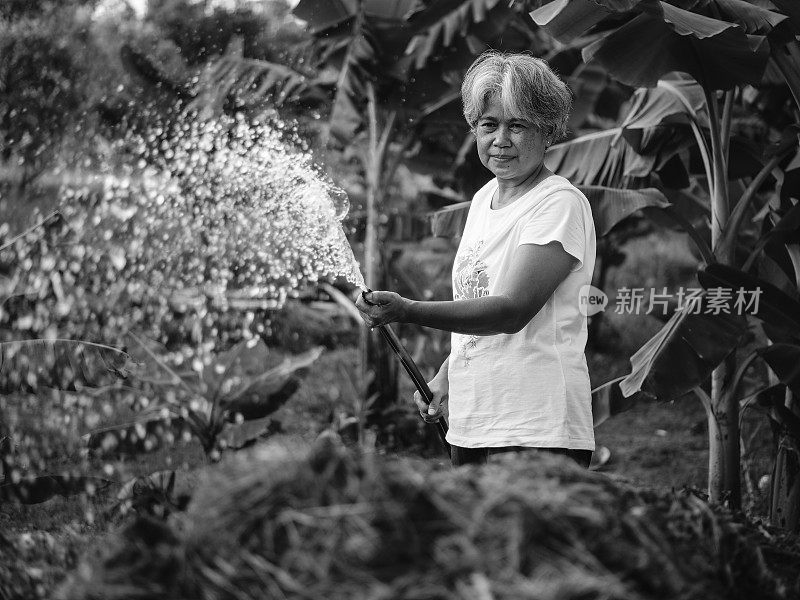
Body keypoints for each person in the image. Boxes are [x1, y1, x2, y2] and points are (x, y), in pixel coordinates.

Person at [355, 51, 596, 468]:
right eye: (489, 124)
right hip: (473, 424)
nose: (500, 139)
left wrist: (408, 311)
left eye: (517, 125)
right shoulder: (485, 198)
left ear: (548, 131)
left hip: (535, 428)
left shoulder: (558, 204)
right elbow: (481, 302)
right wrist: (447, 376)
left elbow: (510, 311)